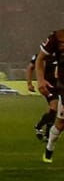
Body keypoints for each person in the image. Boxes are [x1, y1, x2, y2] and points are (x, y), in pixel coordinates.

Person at [36, 29, 63, 163]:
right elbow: (40, 59)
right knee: (61, 123)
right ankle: (49, 147)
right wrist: (40, 80)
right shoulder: (58, 36)